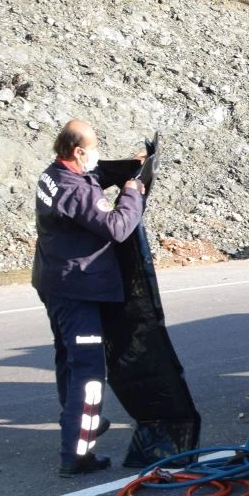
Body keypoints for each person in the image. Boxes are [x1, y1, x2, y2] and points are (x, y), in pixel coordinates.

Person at [33, 120, 147, 477]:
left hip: (58, 283)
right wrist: (132, 192)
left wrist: (130, 165)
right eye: (93, 146)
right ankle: (77, 453)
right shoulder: (73, 188)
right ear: (78, 151)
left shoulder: (56, 173)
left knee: (68, 360)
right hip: (77, 288)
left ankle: (78, 424)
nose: (96, 152)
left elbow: (92, 180)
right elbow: (117, 226)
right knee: (89, 375)